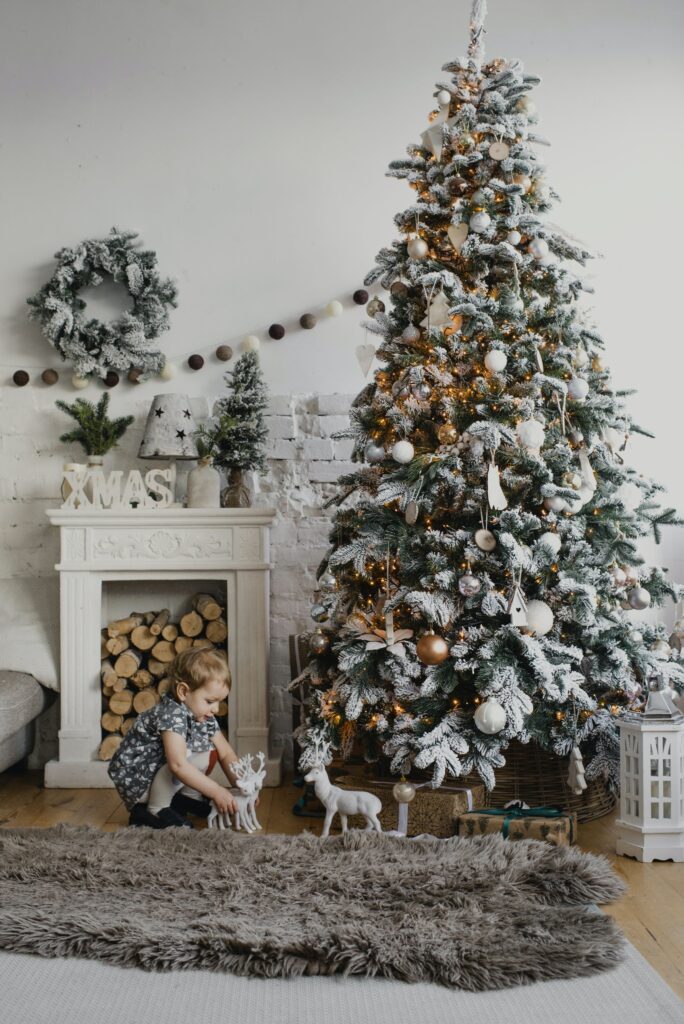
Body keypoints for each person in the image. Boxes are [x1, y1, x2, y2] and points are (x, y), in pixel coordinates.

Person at [108, 647, 239, 828]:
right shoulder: (171, 714)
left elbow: (226, 753)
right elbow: (177, 765)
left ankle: (186, 799)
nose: (216, 709)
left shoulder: (204, 716)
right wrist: (216, 791)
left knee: (205, 752)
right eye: (210, 702)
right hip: (137, 777)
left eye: (219, 702)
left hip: (158, 772)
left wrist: (241, 785)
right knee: (184, 759)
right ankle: (156, 809)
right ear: (183, 692)